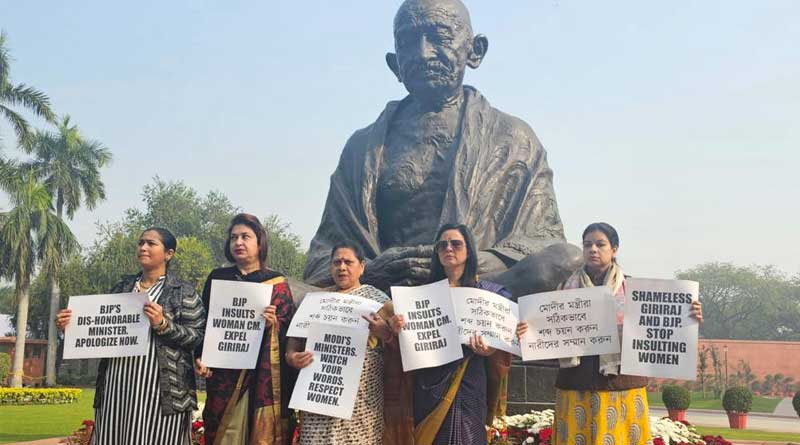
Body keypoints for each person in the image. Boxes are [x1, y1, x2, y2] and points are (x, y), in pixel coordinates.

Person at [303, 0, 580, 297]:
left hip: (476, 287)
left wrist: (470, 262)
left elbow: (543, 241)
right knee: (275, 291)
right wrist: (369, 270)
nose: (423, 53)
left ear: (475, 51)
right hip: (386, 292)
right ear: (394, 64)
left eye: (441, 37)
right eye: (409, 42)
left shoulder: (514, 138)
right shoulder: (362, 148)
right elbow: (322, 259)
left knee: (567, 258)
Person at [517, 223, 704, 444]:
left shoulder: (635, 291)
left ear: (614, 249)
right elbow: (547, 332)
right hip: (576, 384)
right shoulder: (564, 290)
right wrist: (527, 331)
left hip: (622, 384)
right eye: (587, 245)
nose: (593, 249)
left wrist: (688, 315)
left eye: (600, 244)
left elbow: (662, 327)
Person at [56, 227, 206, 445]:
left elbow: (199, 337)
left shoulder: (183, 292)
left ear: (169, 254)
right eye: (141, 242)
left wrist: (163, 324)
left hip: (164, 394)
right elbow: (100, 328)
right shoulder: (121, 288)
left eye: (151, 243)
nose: (143, 247)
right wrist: (71, 324)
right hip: (116, 390)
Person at [390, 223, 512, 445]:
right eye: (442, 245)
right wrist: (397, 329)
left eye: (455, 243)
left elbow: (505, 338)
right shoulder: (421, 295)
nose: (448, 249)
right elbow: (406, 342)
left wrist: (491, 348)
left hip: (469, 380)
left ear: (469, 250)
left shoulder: (489, 294)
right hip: (427, 383)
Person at [194, 213, 297, 445]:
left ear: (259, 242)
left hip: (261, 379)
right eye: (233, 238)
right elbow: (206, 323)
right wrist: (201, 356)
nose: (238, 242)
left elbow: (289, 331)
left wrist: (273, 325)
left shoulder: (276, 283)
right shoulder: (218, 279)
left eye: (245, 237)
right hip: (223, 377)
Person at [285, 242, 395, 444]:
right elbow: (293, 344)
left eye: (348, 262)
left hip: (361, 401)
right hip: (319, 396)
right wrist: (293, 357)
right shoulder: (316, 301)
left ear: (361, 267)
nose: (342, 267)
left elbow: (397, 346)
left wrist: (385, 333)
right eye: (337, 262)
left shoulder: (379, 301)